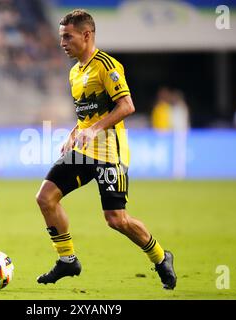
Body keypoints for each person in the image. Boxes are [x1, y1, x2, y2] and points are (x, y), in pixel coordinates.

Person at [35, 9, 177, 290]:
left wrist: (93, 130)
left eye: (67, 36)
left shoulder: (107, 66)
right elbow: (87, 114)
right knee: (45, 198)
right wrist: (75, 133)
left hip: (110, 152)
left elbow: (127, 106)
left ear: (86, 35)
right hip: (85, 149)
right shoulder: (75, 72)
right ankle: (67, 260)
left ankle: (161, 257)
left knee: (116, 219)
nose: (62, 42)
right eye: (61, 37)